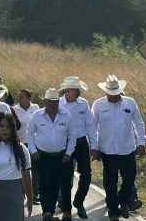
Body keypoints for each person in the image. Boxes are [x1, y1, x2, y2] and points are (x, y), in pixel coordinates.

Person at [91, 75, 146, 221]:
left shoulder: (130, 103)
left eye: (116, 92)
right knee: (110, 182)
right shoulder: (98, 105)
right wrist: (94, 147)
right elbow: (93, 127)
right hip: (107, 150)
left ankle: (122, 201)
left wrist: (141, 143)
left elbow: (139, 123)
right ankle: (113, 211)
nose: (113, 95)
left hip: (127, 149)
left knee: (129, 179)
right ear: (106, 91)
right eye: (111, 92)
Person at [28, 88, 76, 221]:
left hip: (62, 157)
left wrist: (68, 153)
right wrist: (33, 151)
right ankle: (47, 212)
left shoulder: (66, 115)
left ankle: (66, 211)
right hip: (43, 157)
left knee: (65, 185)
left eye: (55, 101)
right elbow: (30, 134)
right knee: (45, 184)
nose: (53, 104)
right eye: (50, 101)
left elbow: (72, 135)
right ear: (45, 101)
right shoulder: (36, 116)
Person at [58, 76, 95, 219]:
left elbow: (90, 125)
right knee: (66, 177)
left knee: (86, 174)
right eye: (75, 89)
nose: (78, 92)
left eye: (78, 89)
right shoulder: (59, 104)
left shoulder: (83, 104)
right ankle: (66, 209)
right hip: (65, 144)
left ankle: (79, 202)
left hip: (81, 142)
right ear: (67, 90)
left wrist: (94, 145)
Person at [14, 89, 41, 203]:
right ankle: (22, 192)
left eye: (22, 97)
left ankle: (35, 193)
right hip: (20, 144)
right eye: (18, 97)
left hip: (34, 144)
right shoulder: (14, 110)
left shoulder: (36, 108)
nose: (19, 99)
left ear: (29, 98)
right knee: (22, 169)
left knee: (35, 169)